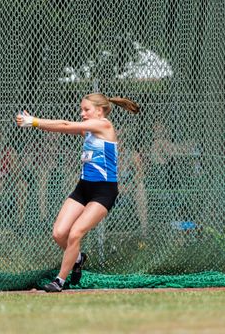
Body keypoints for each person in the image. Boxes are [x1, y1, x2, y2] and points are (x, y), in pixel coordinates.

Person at [15, 93, 140, 292]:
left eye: (86, 110)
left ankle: (59, 281)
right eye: (81, 109)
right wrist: (34, 122)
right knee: (59, 234)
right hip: (83, 188)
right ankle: (78, 258)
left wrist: (34, 122)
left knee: (75, 234)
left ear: (99, 111)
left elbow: (65, 124)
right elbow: (62, 128)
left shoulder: (104, 125)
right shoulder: (89, 131)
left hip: (104, 191)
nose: (82, 113)